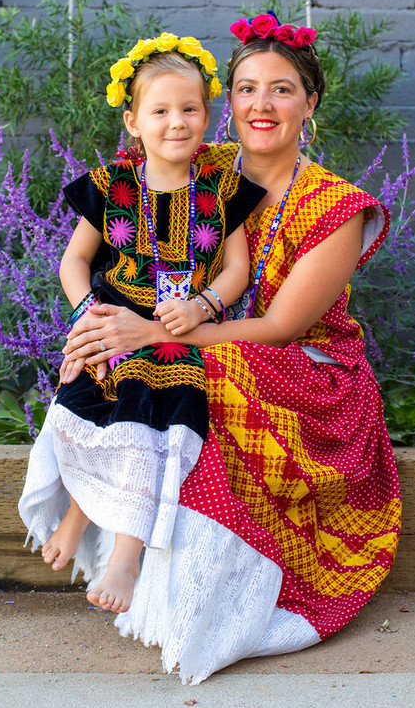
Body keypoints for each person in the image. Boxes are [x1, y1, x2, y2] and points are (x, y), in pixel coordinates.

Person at [57, 13, 402, 685]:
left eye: (281, 89)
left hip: (314, 374)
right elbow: (112, 232)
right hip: (203, 342)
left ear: (310, 103)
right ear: (227, 103)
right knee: (130, 357)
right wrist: (95, 319)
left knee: (193, 365)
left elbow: (279, 327)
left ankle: (217, 596)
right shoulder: (202, 165)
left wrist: (153, 332)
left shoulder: (336, 205)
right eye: (246, 89)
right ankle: (128, 553)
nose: (261, 105)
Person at [19, 32, 265, 617]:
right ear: (133, 121)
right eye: (159, 111)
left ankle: (125, 556)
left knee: (152, 410)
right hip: (111, 319)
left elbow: (237, 267)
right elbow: (75, 261)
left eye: (190, 109)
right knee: (90, 398)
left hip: (178, 333)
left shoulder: (223, 190)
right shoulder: (111, 187)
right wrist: (87, 314)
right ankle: (78, 511)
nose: (176, 122)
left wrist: (203, 305)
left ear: (209, 117)